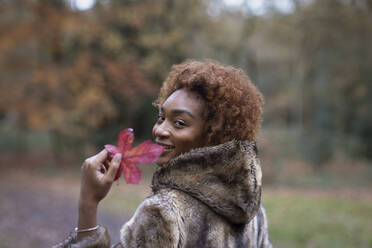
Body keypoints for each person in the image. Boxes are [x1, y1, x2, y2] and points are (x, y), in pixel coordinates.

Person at [53, 60, 272, 248]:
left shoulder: (164, 213)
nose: (159, 130)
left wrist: (88, 203)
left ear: (214, 136)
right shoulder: (251, 212)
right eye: (161, 117)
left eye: (179, 123)